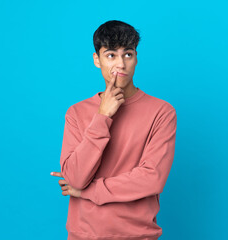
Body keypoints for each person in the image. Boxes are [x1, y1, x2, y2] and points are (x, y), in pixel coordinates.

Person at [51, 20, 177, 240]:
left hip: (138, 235)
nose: (120, 64)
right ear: (96, 60)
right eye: (111, 55)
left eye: (128, 54)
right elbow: (76, 178)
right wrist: (103, 116)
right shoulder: (76, 113)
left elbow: (151, 178)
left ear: (136, 58)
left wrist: (87, 192)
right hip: (83, 235)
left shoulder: (161, 112)